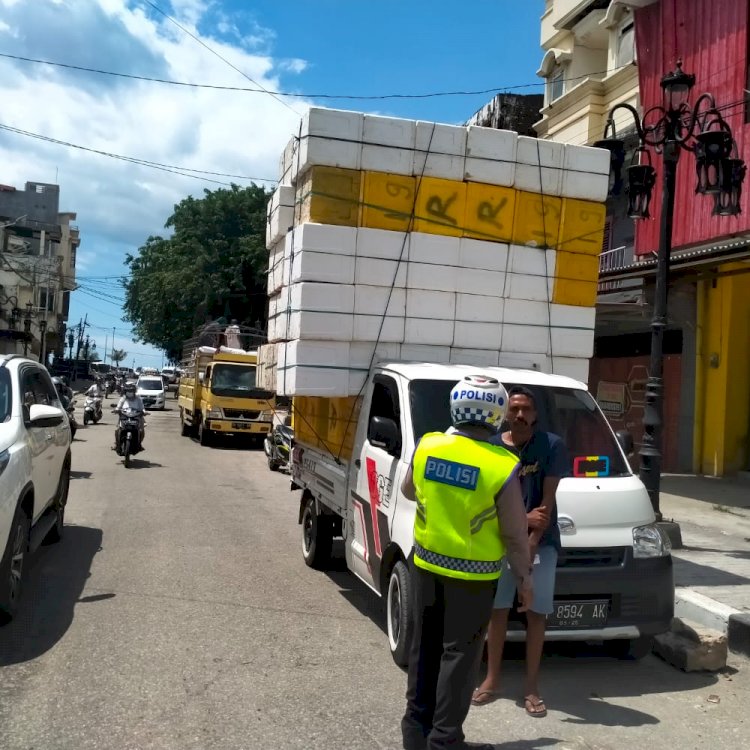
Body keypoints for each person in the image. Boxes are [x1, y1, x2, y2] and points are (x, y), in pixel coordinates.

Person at [400, 375, 533, 750]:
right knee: (458, 660)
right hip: (472, 579)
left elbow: (410, 490)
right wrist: (525, 578)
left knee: (423, 649)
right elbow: (514, 532)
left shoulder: (429, 445)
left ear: (456, 409)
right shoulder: (501, 464)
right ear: (497, 417)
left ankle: (416, 734)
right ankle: (445, 742)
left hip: (424, 565)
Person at [472, 386, 570, 718]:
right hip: (497, 543)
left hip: (540, 545)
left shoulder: (551, 446)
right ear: (504, 414)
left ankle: (531, 687)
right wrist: (520, 519)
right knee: (497, 611)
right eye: (513, 409)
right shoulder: (492, 447)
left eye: (526, 409)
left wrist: (529, 541)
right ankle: (492, 679)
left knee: (536, 615)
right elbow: (486, 500)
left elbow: (546, 504)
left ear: (535, 414)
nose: (519, 415)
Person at [113, 381, 146, 449]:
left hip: (137, 417)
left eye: (131, 390)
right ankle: (117, 444)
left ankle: (139, 444)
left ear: (134, 390)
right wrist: (116, 410)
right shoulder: (123, 398)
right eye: (128, 390)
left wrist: (144, 412)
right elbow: (118, 406)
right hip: (124, 416)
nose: (129, 392)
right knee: (117, 429)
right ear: (125, 391)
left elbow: (142, 408)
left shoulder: (138, 399)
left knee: (141, 430)